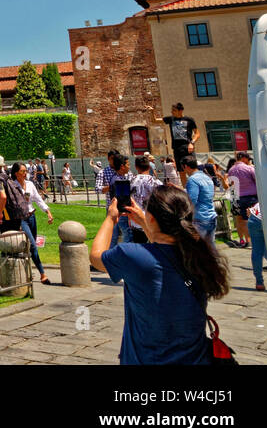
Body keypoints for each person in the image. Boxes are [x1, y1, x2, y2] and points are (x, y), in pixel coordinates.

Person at [90, 185, 230, 364]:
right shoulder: (198, 254)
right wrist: (145, 221)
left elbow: (96, 257)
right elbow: (162, 247)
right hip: (195, 358)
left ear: (153, 218)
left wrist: (110, 218)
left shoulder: (132, 255)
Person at [12, 162, 52, 284]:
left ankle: (28, 271)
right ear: (16, 173)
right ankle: (42, 274)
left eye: (25, 171)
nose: (25, 174)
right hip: (21, 219)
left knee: (31, 247)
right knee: (33, 245)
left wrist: (48, 212)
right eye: (22, 172)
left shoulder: (30, 184)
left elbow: (38, 199)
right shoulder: (13, 186)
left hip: (31, 217)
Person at [160, 104, 200, 185]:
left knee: (192, 170)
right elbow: (156, 120)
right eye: (171, 110)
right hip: (177, 149)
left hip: (188, 148)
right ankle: (185, 190)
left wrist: (192, 143)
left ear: (180, 110)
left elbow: (197, 133)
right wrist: (152, 111)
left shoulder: (189, 120)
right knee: (181, 171)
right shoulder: (171, 119)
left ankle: (197, 187)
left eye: (174, 110)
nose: (172, 112)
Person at [180, 156, 217, 242]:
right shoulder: (207, 177)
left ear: (186, 166)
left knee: (198, 249)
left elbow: (191, 200)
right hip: (211, 216)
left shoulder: (192, 180)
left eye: (183, 168)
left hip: (199, 218)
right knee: (210, 249)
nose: (183, 171)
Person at [227, 152, 257, 249]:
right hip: (251, 198)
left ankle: (246, 241)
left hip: (238, 198)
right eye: (248, 160)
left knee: (243, 221)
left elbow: (231, 185)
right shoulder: (249, 168)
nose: (248, 162)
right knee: (254, 220)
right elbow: (258, 180)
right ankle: (254, 241)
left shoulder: (231, 170)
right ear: (244, 158)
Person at [129, 156, 162, 243]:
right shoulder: (154, 181)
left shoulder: (130, 181)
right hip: (152, 222)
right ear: (149, 166)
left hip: (135, 221)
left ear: (136, 167)